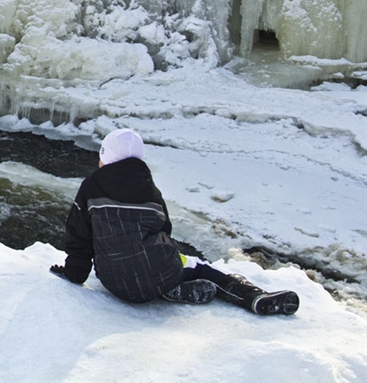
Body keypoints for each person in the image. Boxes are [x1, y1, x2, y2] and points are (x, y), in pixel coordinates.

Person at [50, 128, 299, 316]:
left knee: (140, 258)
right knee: (198, 267)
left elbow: (78, 234)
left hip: (114, 282)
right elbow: (164, 231)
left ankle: (168, 286)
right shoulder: (151, 190)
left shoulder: (91, 187)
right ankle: (251, 296)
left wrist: (74, 273)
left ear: (107, 158)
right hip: (159, 270)